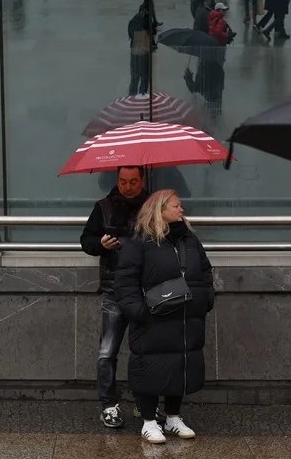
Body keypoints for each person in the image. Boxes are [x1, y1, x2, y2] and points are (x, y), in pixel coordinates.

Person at [114, 189, 215, 444]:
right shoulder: (140, 242)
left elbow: (205, 271)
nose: (181, 210)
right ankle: (149, 421)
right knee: (150, 368)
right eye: (176, 206)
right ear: (159, 210)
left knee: (179, 365)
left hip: (186, 317)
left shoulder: (189, 240)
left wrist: (206, 299)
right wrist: (139, 312)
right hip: (153, 318)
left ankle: (173, 417)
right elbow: (125, 282)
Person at [80, 166, 150, 429]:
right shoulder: (104, 207)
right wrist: (101, 245)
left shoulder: (153, 205)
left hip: (146, 288)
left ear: (142, 181)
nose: (127, 186)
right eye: (122, 181)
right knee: (107, 351)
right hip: (114, 288)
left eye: (133, 181)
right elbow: (86, 240)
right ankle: (108, 404)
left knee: (145, 351)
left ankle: (146, 404)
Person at [128, 4, 155, 95]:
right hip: (143, 53)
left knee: (135, 78)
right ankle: (141, 99)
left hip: (134, 52)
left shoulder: (133, 20)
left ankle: (131, 99)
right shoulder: (147, 21)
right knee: (144, 78)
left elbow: (130, 35)